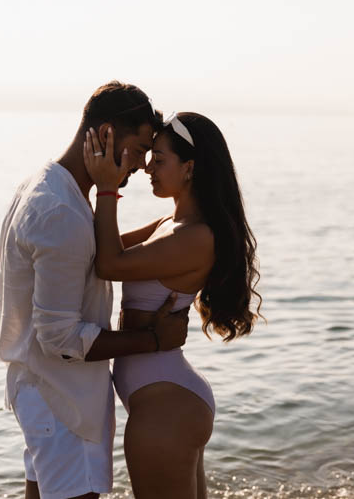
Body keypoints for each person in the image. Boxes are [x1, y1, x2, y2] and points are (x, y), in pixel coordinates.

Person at [0, 81, 191, 499]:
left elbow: (100, 253)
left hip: (42, 391)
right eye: (139, 150)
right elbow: (61, 340)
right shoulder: (61, 212)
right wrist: (153, 339)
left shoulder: (46, 185)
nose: (141, 166)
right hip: (61, 399)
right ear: (105, 134)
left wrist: (161, 227)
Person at [82, 111, 263, 499]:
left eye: (159, 159)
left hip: (166, 408)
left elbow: (109, 264)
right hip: (166, 401)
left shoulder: (196, 237)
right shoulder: (170, 223)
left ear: (190, 168)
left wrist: (107, 188)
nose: (148, 167)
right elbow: (96, 248)